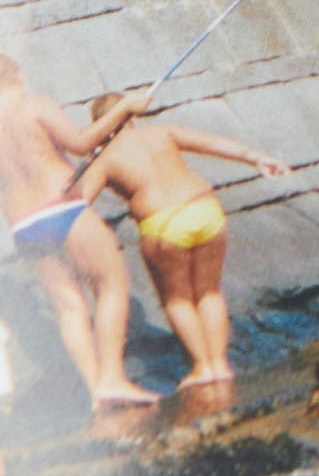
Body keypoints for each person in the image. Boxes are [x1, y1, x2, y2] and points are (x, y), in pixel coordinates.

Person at [77, 97, 287, 392]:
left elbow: (78, 204)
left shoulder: (104, 160)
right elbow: (211, 143)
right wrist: (256, 158)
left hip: (165, 224)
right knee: (209, 292)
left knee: (177, 300)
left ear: (100, 126)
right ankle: (220, 364)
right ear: (132, 117)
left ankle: (203, 367)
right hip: (205, 209)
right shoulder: (161, 132)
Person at [0, 54, 153, 406]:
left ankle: (96, 389)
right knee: (111, 283)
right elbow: (82, 142)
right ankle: (113, 378)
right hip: (63, 207)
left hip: (25, 224)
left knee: (68, 307)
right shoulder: (35, 106)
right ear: (17, 75)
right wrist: (124, 108)